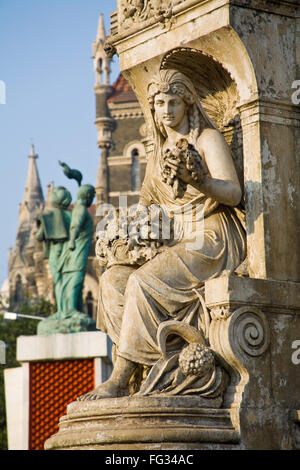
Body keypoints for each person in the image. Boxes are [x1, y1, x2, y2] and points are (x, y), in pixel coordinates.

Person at [81, 69, 246, 400]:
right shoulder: (156, 153)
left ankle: (120, 376)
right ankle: (151, 369)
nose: (167, 110)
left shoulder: (205, 140)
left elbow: (234, 193)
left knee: (141, 282)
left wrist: (200, 181)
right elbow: (146, 204)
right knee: (113, 281)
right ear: (152, 109)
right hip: (173, 238)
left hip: (209, 236)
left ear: (187, 104)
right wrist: (126, 233)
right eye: (159, 103)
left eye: (173, 102)